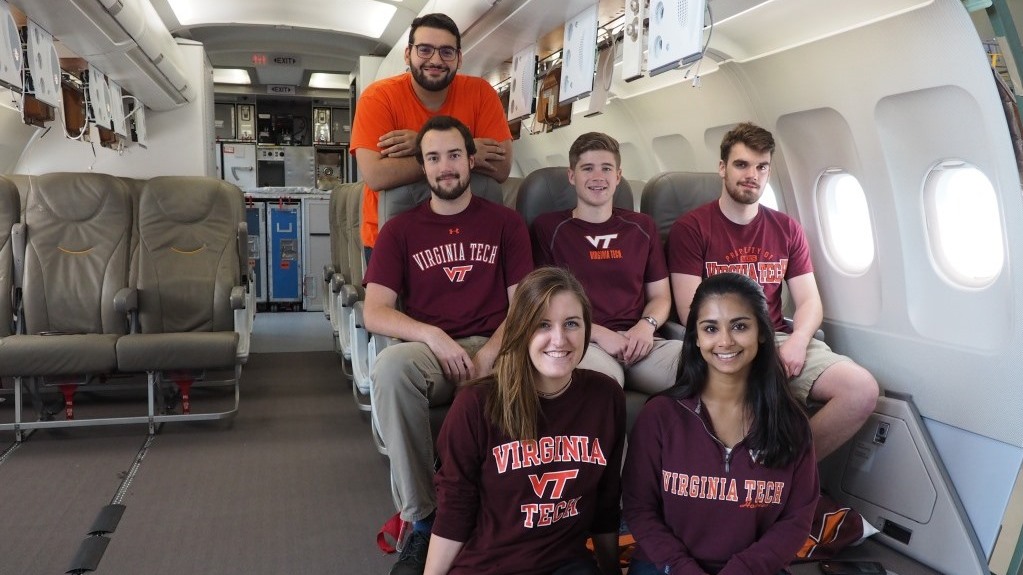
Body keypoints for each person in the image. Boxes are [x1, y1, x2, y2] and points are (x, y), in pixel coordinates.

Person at [362, 115, 533, 575]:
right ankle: (423, 523)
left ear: (471, 160)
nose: (446, 167)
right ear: (423, 167)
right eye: (433, 158)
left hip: (497, 343)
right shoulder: (399, 231)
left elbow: (523, 307)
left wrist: (488, 356)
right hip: (431, 349)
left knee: (531, 375)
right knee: (390, 369)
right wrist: (432, 335)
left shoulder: (507, 223)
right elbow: (374, 311)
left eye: (454, 155)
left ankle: (514, 520)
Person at [668, 122, 879, 459]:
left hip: (776, 338)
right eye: (741, 164)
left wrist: (797, 342)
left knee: (861, 390)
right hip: (723, 340)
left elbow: (809, 301)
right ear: (722, 168)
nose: (752, 174)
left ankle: (787, 472)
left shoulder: (786, 229)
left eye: (761, 166)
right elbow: (689, 310)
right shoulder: (691, 229)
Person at [424, 266, 625, 575]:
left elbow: (606, 504)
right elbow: (455, 509)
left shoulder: (606, 396)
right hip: (489, 565)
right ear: (520, 329)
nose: (559, 339)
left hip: (566, 564)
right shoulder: (475, 404)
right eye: (542, 325)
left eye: (571, 323)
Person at [622, 272, 819, 575]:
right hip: (667, 567)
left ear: (761, 333)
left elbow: (797, 520)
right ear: (696, 338)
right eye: (710, 328)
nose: (725, 341)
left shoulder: (791, 424)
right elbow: (639, 508)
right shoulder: (660, 416)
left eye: (740, 326)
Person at [350, 12, 512, 261]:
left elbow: (501, 168)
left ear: (459, 58)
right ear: (408, 54)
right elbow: (376, 175)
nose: (435, 60)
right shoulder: (378, 98)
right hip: (392, 237)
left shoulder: (481, 94)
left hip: (470, 235)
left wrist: (418, 145)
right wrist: (463, 151)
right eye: (425, 50)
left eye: (447, 52)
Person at [531, 132, 681, 394]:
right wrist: (599, 334)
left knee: (705, 367)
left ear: (618, 176)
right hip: (583, 341)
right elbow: (543, 301)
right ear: (572, 176)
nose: (598, 177)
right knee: (601, 388)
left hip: (641, 342)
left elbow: (660, 296)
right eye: (587, 168)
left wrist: (646, 327)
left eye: (606, 168)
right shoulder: (550, 228)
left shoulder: (642, 227)